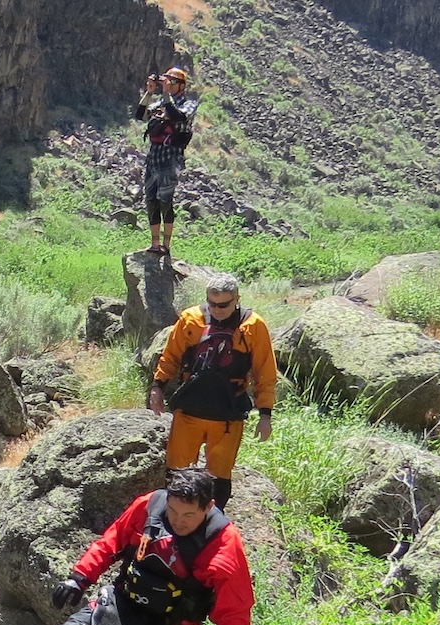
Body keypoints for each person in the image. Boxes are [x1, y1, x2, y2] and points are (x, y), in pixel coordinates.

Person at [18, 466, 253, 625]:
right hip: (121, 608)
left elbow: (233, 617)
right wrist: (80, 577)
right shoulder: (150, 506)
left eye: (189, 515)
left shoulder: (224, 544)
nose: (178, 521)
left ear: (209, 507)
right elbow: (112, 540)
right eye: (173, 511)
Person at [148, 273, 276, 511]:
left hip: (228, 414)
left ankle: (211, 523)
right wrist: (158, 386)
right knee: (177, 473)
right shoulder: (191, 319)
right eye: (212, 303)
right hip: (190, 410)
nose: (217, 309)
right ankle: (176, 520)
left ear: (237, 299)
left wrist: (265, 414)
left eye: (224, 305)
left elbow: (265, 371)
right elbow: (171, 356)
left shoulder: (253, 326)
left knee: (219, 479)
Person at [133, 67, 199, 256]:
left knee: (165, 200)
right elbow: (140, 114)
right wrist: (150, 91)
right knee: (151, 200)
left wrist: (166, 94)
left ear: (181, 86)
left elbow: (178, 116)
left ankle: (166, 245)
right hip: (154, 156)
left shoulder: (188, 104)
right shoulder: (160, 104)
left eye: (172, 82)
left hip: (171, 157)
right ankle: (154, 243)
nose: (168, 84)